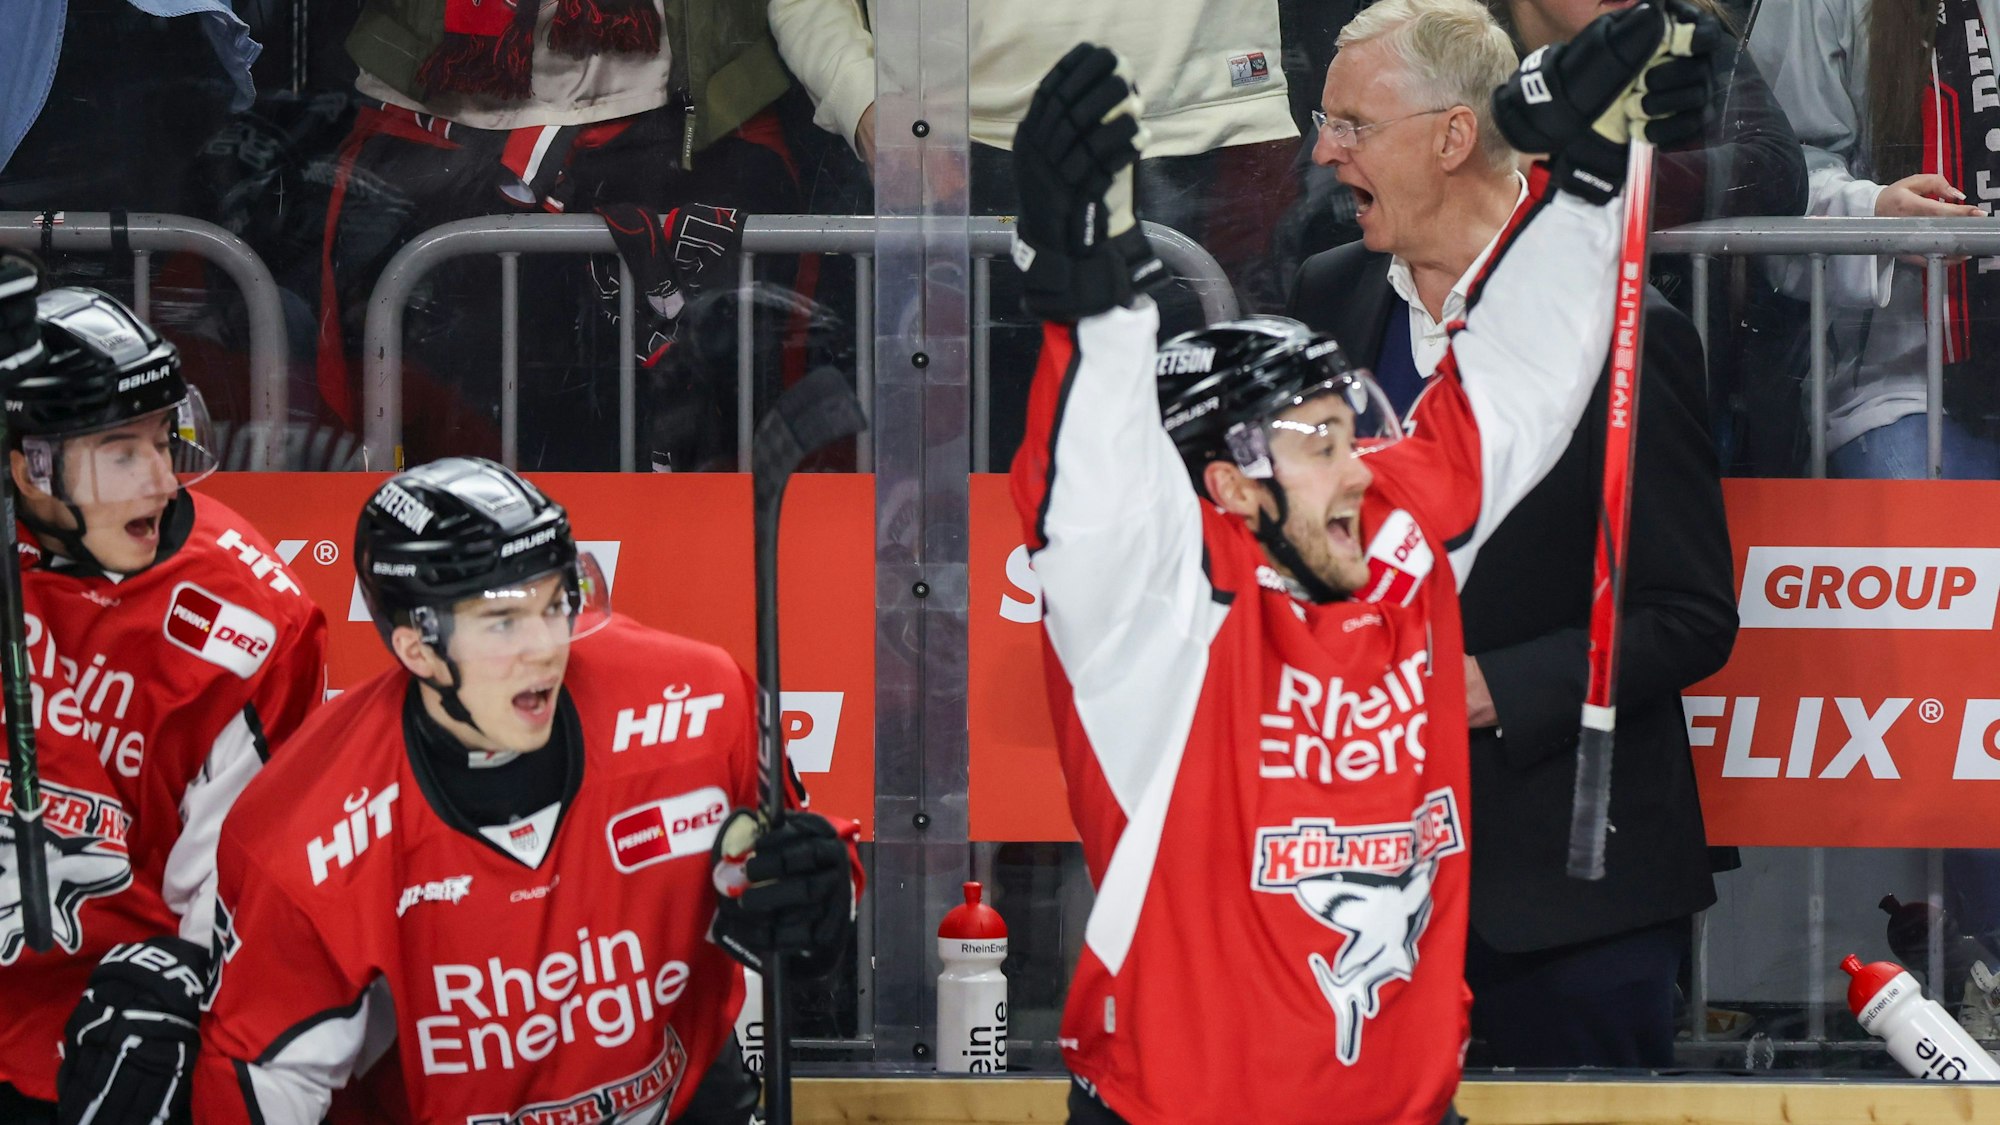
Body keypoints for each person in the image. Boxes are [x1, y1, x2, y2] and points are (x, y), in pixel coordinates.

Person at [1006, 7, 1715, 1122]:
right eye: (1322, 444)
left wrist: (1585, 180)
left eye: (1355, 433)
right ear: (1225, 488)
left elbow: (1516, 386)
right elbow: (1082, 497)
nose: (1360, 473)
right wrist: (1082, 301)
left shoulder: (1391, 545)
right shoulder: (1150, 626)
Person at [1289, 0, 1738, 1069]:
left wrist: (1491, 684)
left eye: (1350, 123)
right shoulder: (1326, 297)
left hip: (1568, 907)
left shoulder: (1626, 329)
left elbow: (1687, 614)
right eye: (1323, 120)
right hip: (1358, 897)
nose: (1320, 150)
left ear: (1451, 138)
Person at [193, 457, 861, 1123]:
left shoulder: (700, 701)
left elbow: (800, 878)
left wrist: (821, 894)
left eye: (555, 602)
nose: (545, 646)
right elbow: (260, 1083)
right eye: (504, 622)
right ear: (417, 649)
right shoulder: (305, 823)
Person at [0, 282, 329, 1123]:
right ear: (23, 463)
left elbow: (230, 901)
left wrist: (176, 1007)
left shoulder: (247, 621)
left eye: (163, 439)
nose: (161, 481)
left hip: (99, 1021)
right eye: (121, 451)